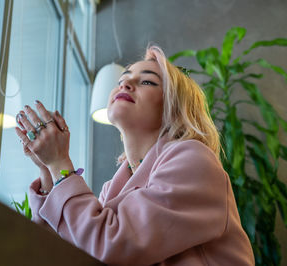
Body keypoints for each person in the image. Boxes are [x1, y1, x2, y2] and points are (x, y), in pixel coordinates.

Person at [15, 45, 255, 265]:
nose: (125, 85)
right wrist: (48, 170)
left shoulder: (194, 160)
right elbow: (71, 250)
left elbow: (111, 247)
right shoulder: (115, 187)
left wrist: (60, 164)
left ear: (174, 107)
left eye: (147, 82)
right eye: (122, 80)